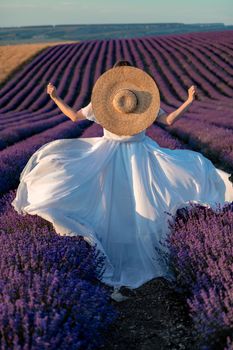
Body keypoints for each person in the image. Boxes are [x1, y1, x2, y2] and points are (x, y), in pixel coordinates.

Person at [11, 60, 233, 303]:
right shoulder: (143, 101)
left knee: (110, 206)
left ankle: (116, 251)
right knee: (160, 192)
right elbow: (168, 121)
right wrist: (189, 100)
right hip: (142, 156)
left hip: (109, 156)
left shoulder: (104, 103)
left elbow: (74, 117)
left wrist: (54, 97)